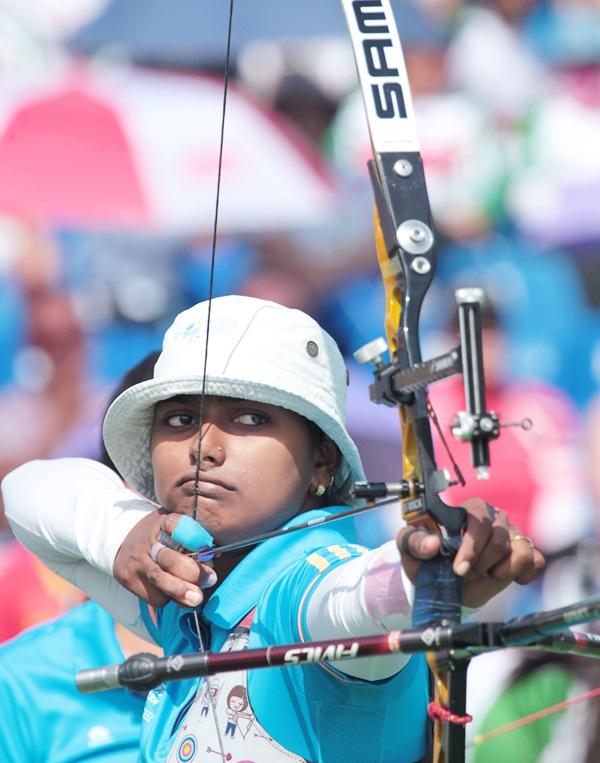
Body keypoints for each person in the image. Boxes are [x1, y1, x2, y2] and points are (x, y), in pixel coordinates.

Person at [2, 295, 545, 763]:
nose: (203, 447)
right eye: (180, 419)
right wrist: (123, 535)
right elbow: (26, 492)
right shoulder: (189, 595)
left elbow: (349, 600)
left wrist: (423, 575)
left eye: (251, 419)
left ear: (322, 462)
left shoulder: (298, 586)